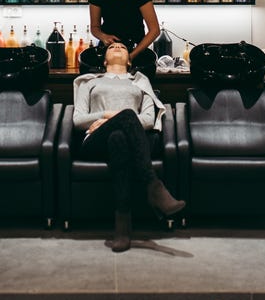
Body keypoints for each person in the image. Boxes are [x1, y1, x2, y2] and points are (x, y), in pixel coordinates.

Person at [72, 42, 185, 252]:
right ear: (104, 60)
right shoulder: (88, 83)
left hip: (133, 141)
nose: (117, 46)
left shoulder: (141, 83)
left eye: (122, 47)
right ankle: (154, 187)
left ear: (130, 60)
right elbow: (78, 120)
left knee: (118, 138)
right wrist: (108, 116)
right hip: (95, 140)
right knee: (126, 117)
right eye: (112, 46)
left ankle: (122, 228)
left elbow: (149, 120)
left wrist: (115, 119)